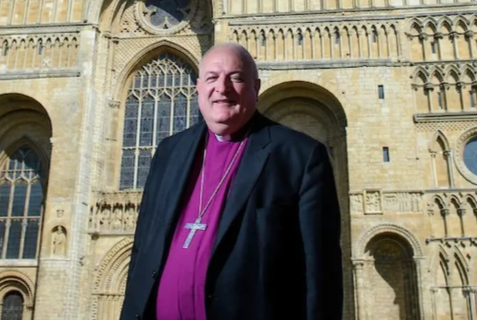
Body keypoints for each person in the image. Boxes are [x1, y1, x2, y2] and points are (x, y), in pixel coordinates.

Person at [119, 43, 343, 320]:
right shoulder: (169, 151)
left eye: (235, 78)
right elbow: (143, 249)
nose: (221, 88)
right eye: (212, 78)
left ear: (256, 87)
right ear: (198, 86)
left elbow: (320, 272)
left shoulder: (300, 156)